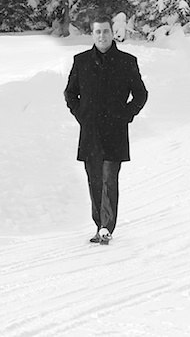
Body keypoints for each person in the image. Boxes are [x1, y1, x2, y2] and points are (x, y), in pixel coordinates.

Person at [63, 14, 148, 245]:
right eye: (97, 32)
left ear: (113, 33)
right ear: (92, 34)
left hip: (115, 132)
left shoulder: (127, 62)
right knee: (95, 181)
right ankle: (98, 223)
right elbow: (70, 93)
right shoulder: (81, 61)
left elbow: (141, 94)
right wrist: (81, 115)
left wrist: (126, 115)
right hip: (90, 132)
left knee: (110, 179)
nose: (102, 36)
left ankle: (106, 228)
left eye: (106, 31)